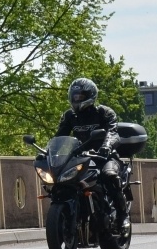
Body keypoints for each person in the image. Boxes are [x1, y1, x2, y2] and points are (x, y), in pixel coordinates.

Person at [54, 78, 127, 220]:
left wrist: (106, 146)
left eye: (80, 97)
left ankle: (122, 215)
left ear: (90, 96)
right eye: (74, 96)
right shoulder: (70, 116)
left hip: (105, 157)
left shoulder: (104, 113)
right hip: (81, 158)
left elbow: (113, 133)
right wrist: (48, 152)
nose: (76, 99)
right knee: (62, 181)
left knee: (109, 175)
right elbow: (59, 137)